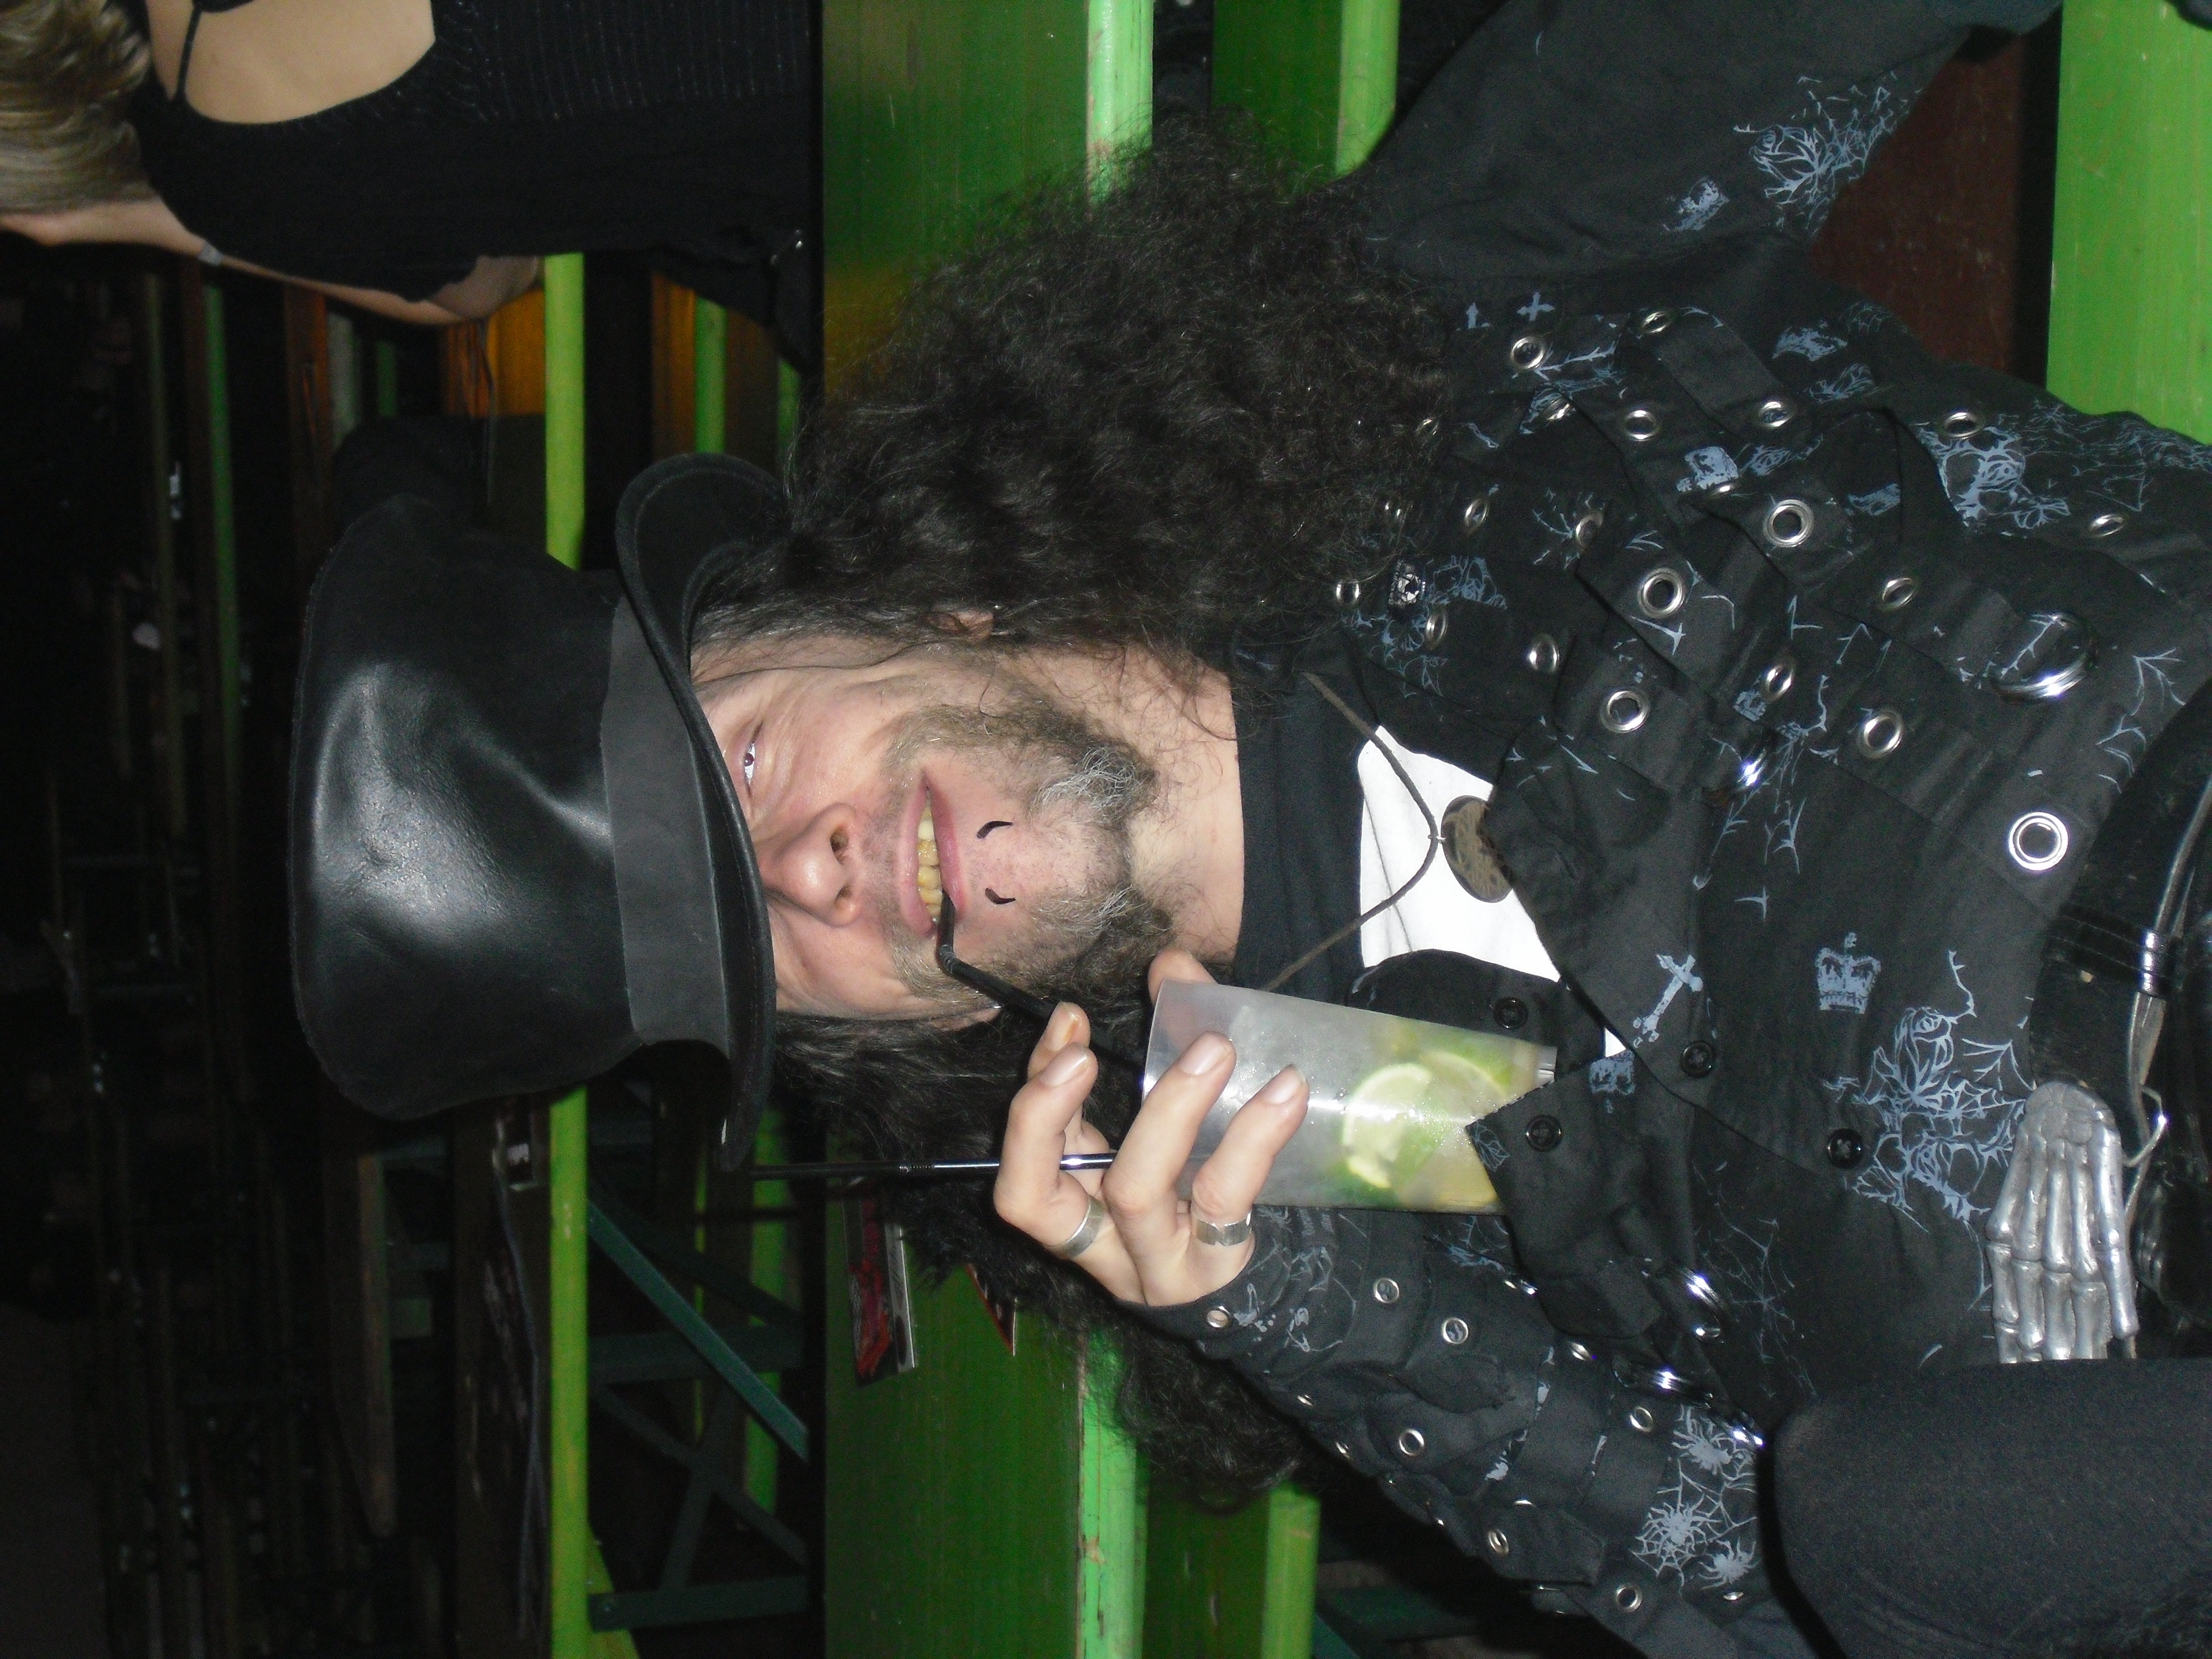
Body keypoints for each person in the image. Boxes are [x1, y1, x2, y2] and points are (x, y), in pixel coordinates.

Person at [288, 1, 2212, 1656]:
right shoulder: (1337, 1193)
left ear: (909, 603)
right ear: (910, 1033)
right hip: (2146, 1385)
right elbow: (1774, 1605)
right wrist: (1296, 1308)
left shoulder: (1444, 334)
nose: (810, 867)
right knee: (1882, 1529)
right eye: (761, 939)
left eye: (756, 762)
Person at [0, 0, 810, 332]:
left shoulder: (225, 178)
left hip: (830, 100)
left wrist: (139, 218)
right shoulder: (220, 174)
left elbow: (490, 283)